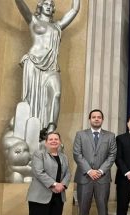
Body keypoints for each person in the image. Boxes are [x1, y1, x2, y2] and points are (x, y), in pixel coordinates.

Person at [14, 0, 80, 134]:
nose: (49, 7)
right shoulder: (33, 20)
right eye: (46, 4)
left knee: (56, 94)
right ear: (40, 6)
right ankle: (31, 131)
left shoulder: (58, 26)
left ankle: (50, 130)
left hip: (51, 66)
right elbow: (21, 4)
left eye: (51, 5)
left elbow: (74, 10)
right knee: (31, 100)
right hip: (33, 62)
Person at [73, 109, 117, 215]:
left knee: (103, 210)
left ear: (102, 120)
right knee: (83, 210)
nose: (96, 119)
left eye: (99, 117)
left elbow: (112, 155)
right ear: (90, 119)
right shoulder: (80, 134)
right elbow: (77, 154)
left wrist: (100, 171)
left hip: (102, 178)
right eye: (94, 117)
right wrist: (89, 170)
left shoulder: (110, 136)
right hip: (84, 177)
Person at [27, 132, 71, 215]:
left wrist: (63, 185)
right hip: (40, 197)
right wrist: (55, 184)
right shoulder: (39, 154)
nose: (54, 141)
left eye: (56, 139)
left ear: (60, 142)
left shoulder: (64, 157)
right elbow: (38, 172)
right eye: (50, 139)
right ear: (46, 142)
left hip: (58, 197)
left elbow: (68, 173)